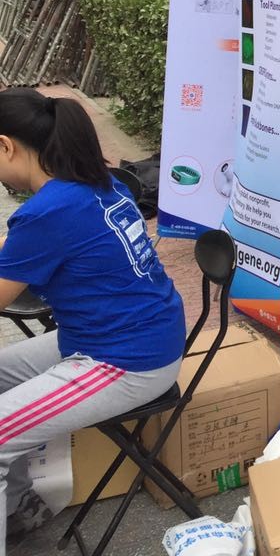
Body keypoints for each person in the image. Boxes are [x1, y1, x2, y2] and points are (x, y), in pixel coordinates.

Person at [0, 89, 186, 548]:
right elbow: (22, 254)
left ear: (6, 146)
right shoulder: (98, 181)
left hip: (126, 359)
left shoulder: (47, 212)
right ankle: (16, 506)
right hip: (140, 334)